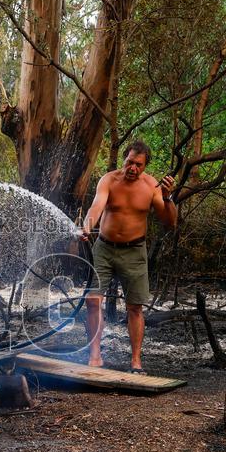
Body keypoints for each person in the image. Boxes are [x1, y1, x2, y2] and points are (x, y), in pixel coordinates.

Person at [81, 139, 177, 372]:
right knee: (93, 301)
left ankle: (135, 361)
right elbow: (96, 207)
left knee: (135, 307)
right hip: (103, 248)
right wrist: (87, 226)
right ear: (124, 159)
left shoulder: (151, 186)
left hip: (134, 251)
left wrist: (167, 197)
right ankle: (95, 356)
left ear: (145, 166)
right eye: (130, 162)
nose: (133, 168)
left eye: (139, 165)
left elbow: (170, 222)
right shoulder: (109, 180)